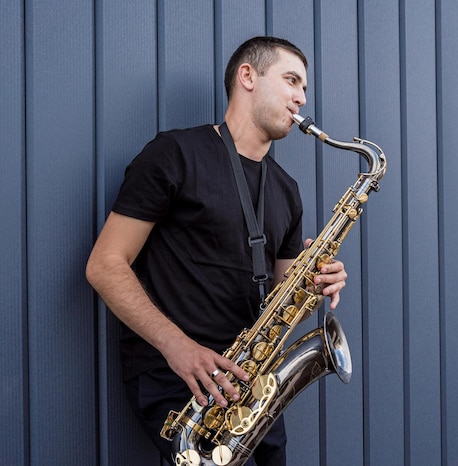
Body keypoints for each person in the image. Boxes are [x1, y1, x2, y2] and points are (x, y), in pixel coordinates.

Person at [85, 36, 347, 465]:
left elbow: (283, 296)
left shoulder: (286, 190)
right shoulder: (175, 154)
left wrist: (314, 282)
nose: (302, 97)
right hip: (182, 381)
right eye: (291, 80)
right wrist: (178, 347)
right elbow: (105, 265)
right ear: (248, 76)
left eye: (304, 87)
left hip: (250, 382)